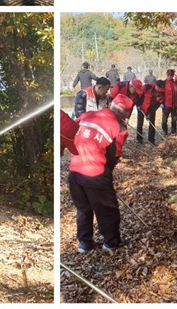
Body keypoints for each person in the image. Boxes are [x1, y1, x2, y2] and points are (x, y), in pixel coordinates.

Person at [68, 94, 134, 252]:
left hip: (74, 172)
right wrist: (105, 177)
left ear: (111, 104)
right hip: (96, 175)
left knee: (83, 209)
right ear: (127, 114)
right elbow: (113, 157)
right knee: (107, 210)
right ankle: (110, 242)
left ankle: (85, 243)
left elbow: (69, 134)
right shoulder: (120, 128)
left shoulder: (86, 115)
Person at [135, 80, 165, 145]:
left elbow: (158, 103)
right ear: (156, 85)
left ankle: (151, 140)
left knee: (152, 123)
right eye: (159, 88)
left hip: (152, 109)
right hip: (141, 107)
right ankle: (139, 139)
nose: (160, 90)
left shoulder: (162, 93)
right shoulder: (147, 86)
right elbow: (138, 94)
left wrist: (149, 113)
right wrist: (138, 105)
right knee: (140, 123)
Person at [162, 69, 177, 136]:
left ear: (173, 75)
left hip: (174, 105)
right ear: (167, 75)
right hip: (166, 105)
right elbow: (161, 93)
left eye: (171, 75)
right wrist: (161, 103)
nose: (169, 76)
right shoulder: (164, 83)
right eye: (168, 75)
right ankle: (164, 130)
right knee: (164, 120)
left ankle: (173, 130)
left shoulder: (175, 83)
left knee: (174, 119)